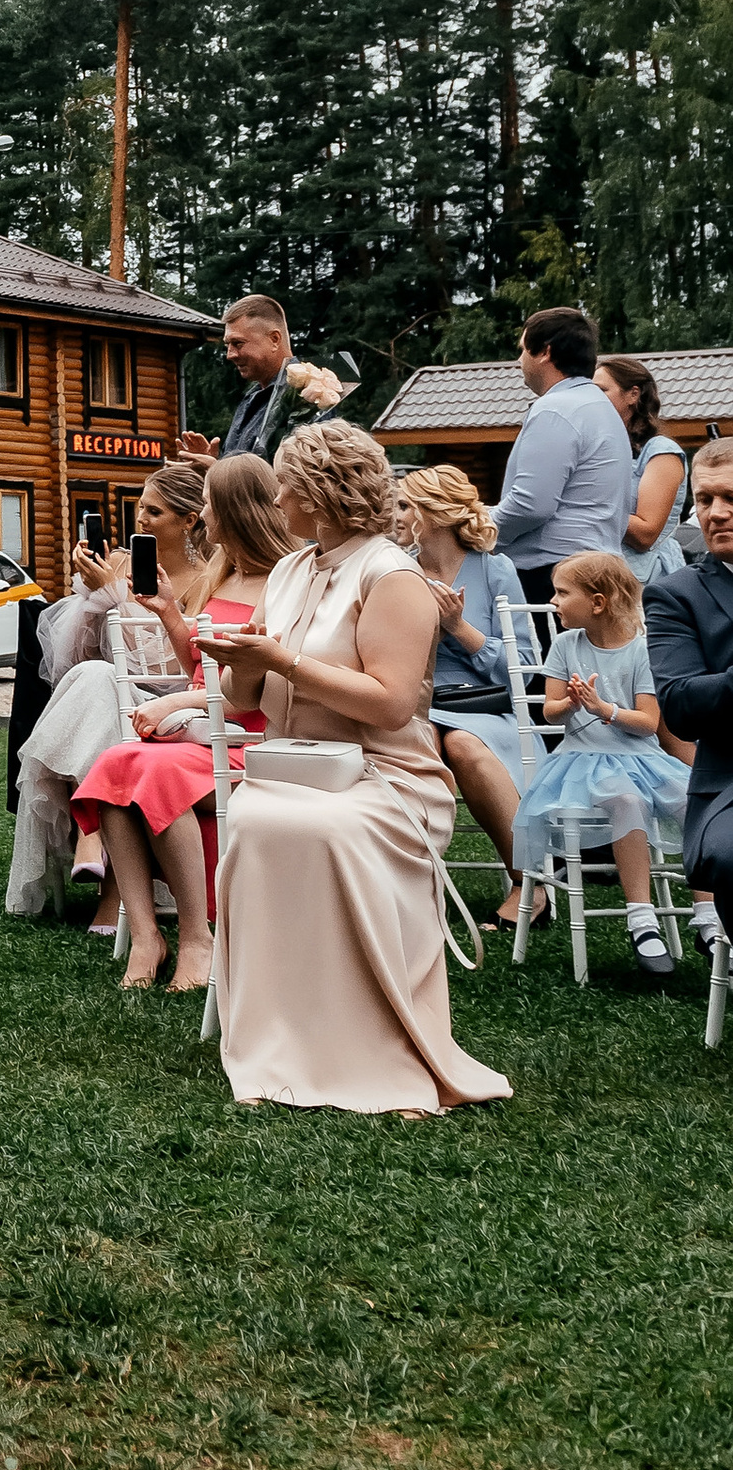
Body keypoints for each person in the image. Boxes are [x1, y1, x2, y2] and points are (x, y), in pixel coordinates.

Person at [198, 421, 511, 1118]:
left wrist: (284, 661)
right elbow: (247, 699)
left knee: (332, 831)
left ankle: (380, 1050)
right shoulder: (289, 570)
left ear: (319, 492)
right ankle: (281, 1044)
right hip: (297, 768)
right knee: (254, 820)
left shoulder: (391, 574)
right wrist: (245, 665)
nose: (276, 497)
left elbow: (394, 705)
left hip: (390, 779)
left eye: (286, 483)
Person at [69, 452, 287, 993]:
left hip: (249, 734)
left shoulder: (285, 580)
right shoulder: (224, 572)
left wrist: (175, 707)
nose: (204, 516)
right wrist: (170, 612)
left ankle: (197, 935)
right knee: (115, 765)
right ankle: (146, 933)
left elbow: (252, 687)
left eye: (209, 504)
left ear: (234, 511)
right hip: (201, 725)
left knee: (155, 774)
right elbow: (200, 664)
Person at [4, 462, 212, 924]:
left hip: (167, 701)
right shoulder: (118, 561)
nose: (141, 521)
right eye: (140, 508)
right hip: (109, 692)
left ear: (189, 521)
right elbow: (74, 653)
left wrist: (117, 597)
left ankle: (93, 835)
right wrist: (91, 594)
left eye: (154, 513)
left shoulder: (204, 581)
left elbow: (178, 667)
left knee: (100, 688)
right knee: (94, 677)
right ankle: (96, 844)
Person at [508, 551, 690, 977]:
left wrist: (604, 708)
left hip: (640, 756)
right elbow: (548, 712)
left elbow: (648, 723)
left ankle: (710, 916)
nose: (553, 601)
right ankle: (642, 919)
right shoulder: (566, 644)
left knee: (693, 801)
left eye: (562, 592)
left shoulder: (642, 650)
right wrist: (570, 704)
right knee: (626, 800)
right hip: (581, 760)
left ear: (598, 602)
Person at [396, 462, 537, 930]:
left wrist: (459, 628)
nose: (394, 515)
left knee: (462, 744)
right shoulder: (398, 572)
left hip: (486, 703)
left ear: (432, 514)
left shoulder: (495, 569)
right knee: (418, 741)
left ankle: (530, 887)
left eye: (404, 505)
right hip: (419, 701)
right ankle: (406, 890)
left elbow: (526, 667)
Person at [644, 440, 733, 967]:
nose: (716, 513)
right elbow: (679, 703)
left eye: (730, 497)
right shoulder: (678, 595)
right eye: (705, 500)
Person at [492, 305, 632, 607]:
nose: (519, 361)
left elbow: (532, 504)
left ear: (545, 352)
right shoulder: (600, 407)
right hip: (597, 567)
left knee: (541, 656)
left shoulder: (555, 408)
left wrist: (478, 527)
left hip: (553, 574)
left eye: (522, 350)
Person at [599, 354, 688, 587]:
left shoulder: (661, 451)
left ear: (633, 394)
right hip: (605, 574)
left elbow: (645, 534)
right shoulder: (605, 450)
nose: (593, 400)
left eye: (602, 391)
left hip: (647, 581)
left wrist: (585, 504)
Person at [176, 295, 295, 465]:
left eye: (238, 343)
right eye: (227, 345)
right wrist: (213, 465)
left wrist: (216, 469)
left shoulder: (309, 394)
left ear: (274, 339)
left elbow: (302, 481)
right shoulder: (252, 397)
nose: (229, 355)